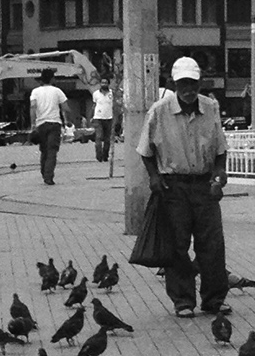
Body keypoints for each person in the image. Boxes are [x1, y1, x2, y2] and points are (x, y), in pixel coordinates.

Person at [136, 56, 229, 317]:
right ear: (175, 84)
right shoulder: (159, 110)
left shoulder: (210, 107)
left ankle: (214, 299)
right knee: (177, 245)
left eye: (193, 83)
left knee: (211, 244)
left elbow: (220, 148)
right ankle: (183, 300)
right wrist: (153, 177)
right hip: (173, 186)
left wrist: (220, 172)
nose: (189, 89)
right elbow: (145, 150)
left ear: (200, 83)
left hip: (204, 184)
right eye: (183, 83)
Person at [30, 71, 70, 184]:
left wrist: (33, 124)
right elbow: (65, 107)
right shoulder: (57, 91)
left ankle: (44, 172)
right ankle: (48, 176)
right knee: (52, 151)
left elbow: (33, 107)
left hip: (41, 125)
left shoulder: (35, 92)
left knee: (44, 150)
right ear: (52, 79)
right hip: (54, 124)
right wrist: (68, 119)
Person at [91, 77, 115, 163]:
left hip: (109, 118)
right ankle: (99, 156)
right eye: (102, 82)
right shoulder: (96, 94)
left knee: (107, 139)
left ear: (108, 84)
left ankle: (105, 156)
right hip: (98, 118)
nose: (103, 84)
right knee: (98, 137)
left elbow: (115, 105)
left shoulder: (112, 93)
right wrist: (91, 116)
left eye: (105, 83)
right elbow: (94, 105)